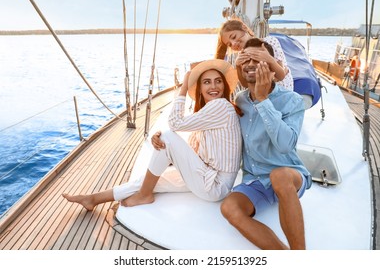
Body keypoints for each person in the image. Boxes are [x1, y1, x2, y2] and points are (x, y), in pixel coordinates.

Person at [63, 59, 242, 210]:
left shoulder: (221, 106)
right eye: (207, 82)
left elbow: (174, 124)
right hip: (208, 178)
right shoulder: (213, 112)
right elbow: (192, 146)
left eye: (218, 81)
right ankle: (93, 199)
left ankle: (144, 195)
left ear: (224, 85)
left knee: (165, 139)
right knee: (151, 180)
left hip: (215, 184)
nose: (214, 86)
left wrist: (183, 87)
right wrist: (167, 148)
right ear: (201, 89)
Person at [220, 38, 312, 250]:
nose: (251, 64)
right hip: (256, 180)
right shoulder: (241, 100)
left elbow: (285, 145)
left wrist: (263, 100)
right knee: (229, 208)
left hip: (288, 175)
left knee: (278, 176)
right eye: (246, 59)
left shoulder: (292, 100)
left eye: (258, 59)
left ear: (272, 66)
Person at [215, 19, 293, 91]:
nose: (234, 43)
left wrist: (269, 59)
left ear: (244, 28)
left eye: (234, 37)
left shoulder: (269, 41)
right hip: (261, 92)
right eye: (229, 44)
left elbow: (280, 75)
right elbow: (246, 84)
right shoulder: (241, 56)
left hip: (281, 90)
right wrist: (238, 66)